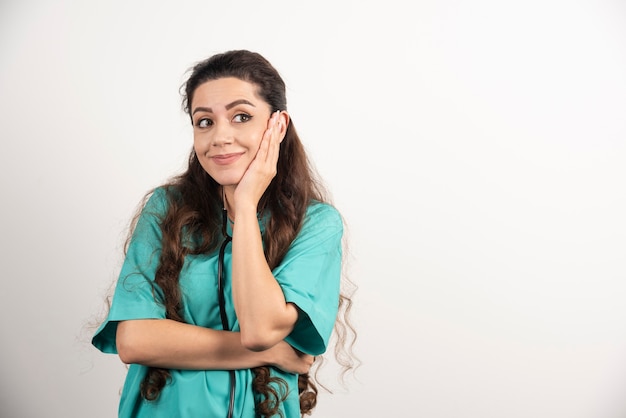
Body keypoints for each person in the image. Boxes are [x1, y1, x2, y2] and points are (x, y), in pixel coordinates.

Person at [92, 49, 356, 418]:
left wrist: (245, 207)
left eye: (241, 116)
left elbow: (261, 329)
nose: (219, 136)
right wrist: (270, 353)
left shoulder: (316, 224)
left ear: (277, 125)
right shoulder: (166, 208)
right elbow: (133, 340)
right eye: (205, 122)